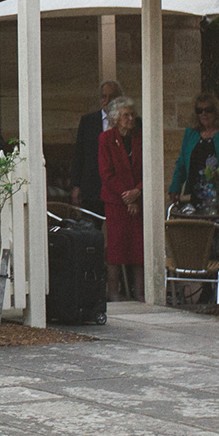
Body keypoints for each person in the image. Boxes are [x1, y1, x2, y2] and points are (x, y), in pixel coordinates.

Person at [98, 96, 143, 300]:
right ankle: (114, 294)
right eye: (126, 115)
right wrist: (128, 196)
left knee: (139, 248)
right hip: (117, 202)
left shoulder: (140, 137)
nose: (130, 119)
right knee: (116, 249)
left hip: (139, 200)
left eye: (132, 115)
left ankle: (142, 294)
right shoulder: (106, 139)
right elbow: (107, 173)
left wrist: (138, 192)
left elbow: (148, 169)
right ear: (116, 118)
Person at [69, 80, 122, 212]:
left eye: (112, 97)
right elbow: (79, 154)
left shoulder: (128, 121)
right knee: (91, 228)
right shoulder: (88, 121)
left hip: (119, 187)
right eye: (104, 96)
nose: (107, 100)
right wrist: (76, 185)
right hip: (92, 186)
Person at [169, 92, 219, 209]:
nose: (203, 114)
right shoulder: (191, 134)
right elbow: (182, 163)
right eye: (199, 110)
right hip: (197, 191)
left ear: (216, 112)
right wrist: (175, 187)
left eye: (208, 110)